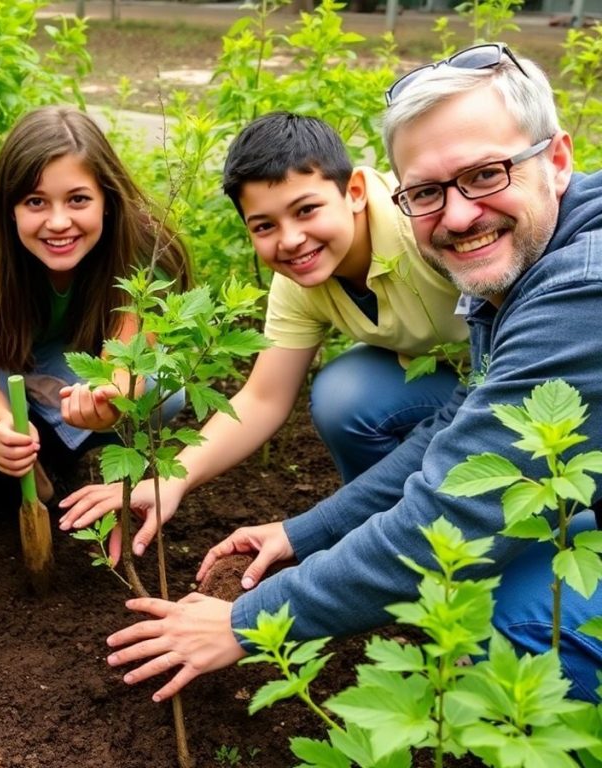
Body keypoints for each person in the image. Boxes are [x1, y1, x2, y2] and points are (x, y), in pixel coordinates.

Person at [95, 45, 602, 703]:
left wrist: (248, 622)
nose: (457, 215)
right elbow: (452, 442)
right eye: (427, 191)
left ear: (556, 160)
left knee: (494, 625)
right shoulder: (517, 258)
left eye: (486, 174)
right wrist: (303, 533)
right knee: (358, 408)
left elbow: (456, 510)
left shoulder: (576, 290)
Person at [59, 111, 468, 558]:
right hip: (447, 375)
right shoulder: (297, 279)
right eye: (264, 226)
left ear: (352, 192)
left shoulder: (426, 225)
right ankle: (391, 539)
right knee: (343, 396)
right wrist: (170, 479)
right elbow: (263, 398)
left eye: (306, 210)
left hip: (511, 374)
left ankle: (431, 525)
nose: (290, 239)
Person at [0, 106, 191, 513]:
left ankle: (50, 449)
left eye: (77, 200)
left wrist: (108, 401)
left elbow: (125, 367)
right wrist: (6, 427)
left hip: (63, 340)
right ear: (8, 207)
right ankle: (27, 442)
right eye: (36, 201)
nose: (58, 222)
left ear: (106, 200)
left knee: (165, 393)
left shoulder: (142, 248)